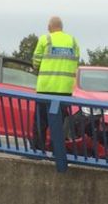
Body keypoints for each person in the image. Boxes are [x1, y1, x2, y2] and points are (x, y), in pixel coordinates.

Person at [31, 16, 80, 152]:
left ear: (50, 26)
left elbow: (36, 61)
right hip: (64, 90)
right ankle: (56, 150)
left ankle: (37, 150)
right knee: (59, 123)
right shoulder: (73, 41)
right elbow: (76, 61)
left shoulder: (45, 39)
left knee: (41, 122)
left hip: (45, 88)